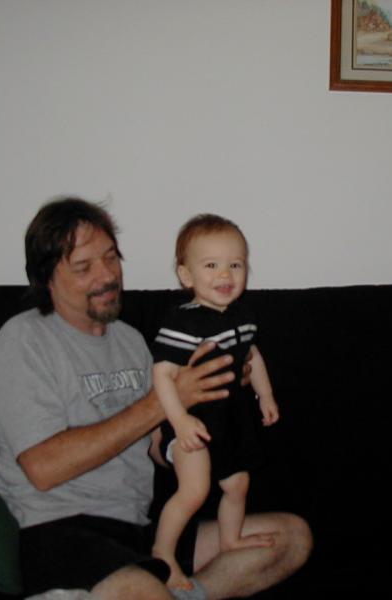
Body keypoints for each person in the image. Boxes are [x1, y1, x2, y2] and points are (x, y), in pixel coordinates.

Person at [0, 197, 311, 600]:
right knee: (141, 590)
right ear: (46, 277)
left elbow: (158, 447)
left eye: (111, 257)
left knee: (290, 537)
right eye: (84, 267)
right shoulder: (23, 341)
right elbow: (43, 468)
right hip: (59, 531)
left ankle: (176, 593)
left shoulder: (132, 341)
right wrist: (164, 400)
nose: (107, 276)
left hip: (138, 527)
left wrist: (211, 404)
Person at [151, 214, 279, 590]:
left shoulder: (243, 316)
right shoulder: (183, 323)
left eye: (235, 265)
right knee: (194, 490)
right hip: (191, 423)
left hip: (230, 421)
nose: (225, 275)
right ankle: (162, 553)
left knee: (238, 485)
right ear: (186, 275)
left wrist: (265, 395)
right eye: (211, 265)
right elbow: (162, 375)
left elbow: (252, 355)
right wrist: (179, 422)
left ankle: (230, 539)